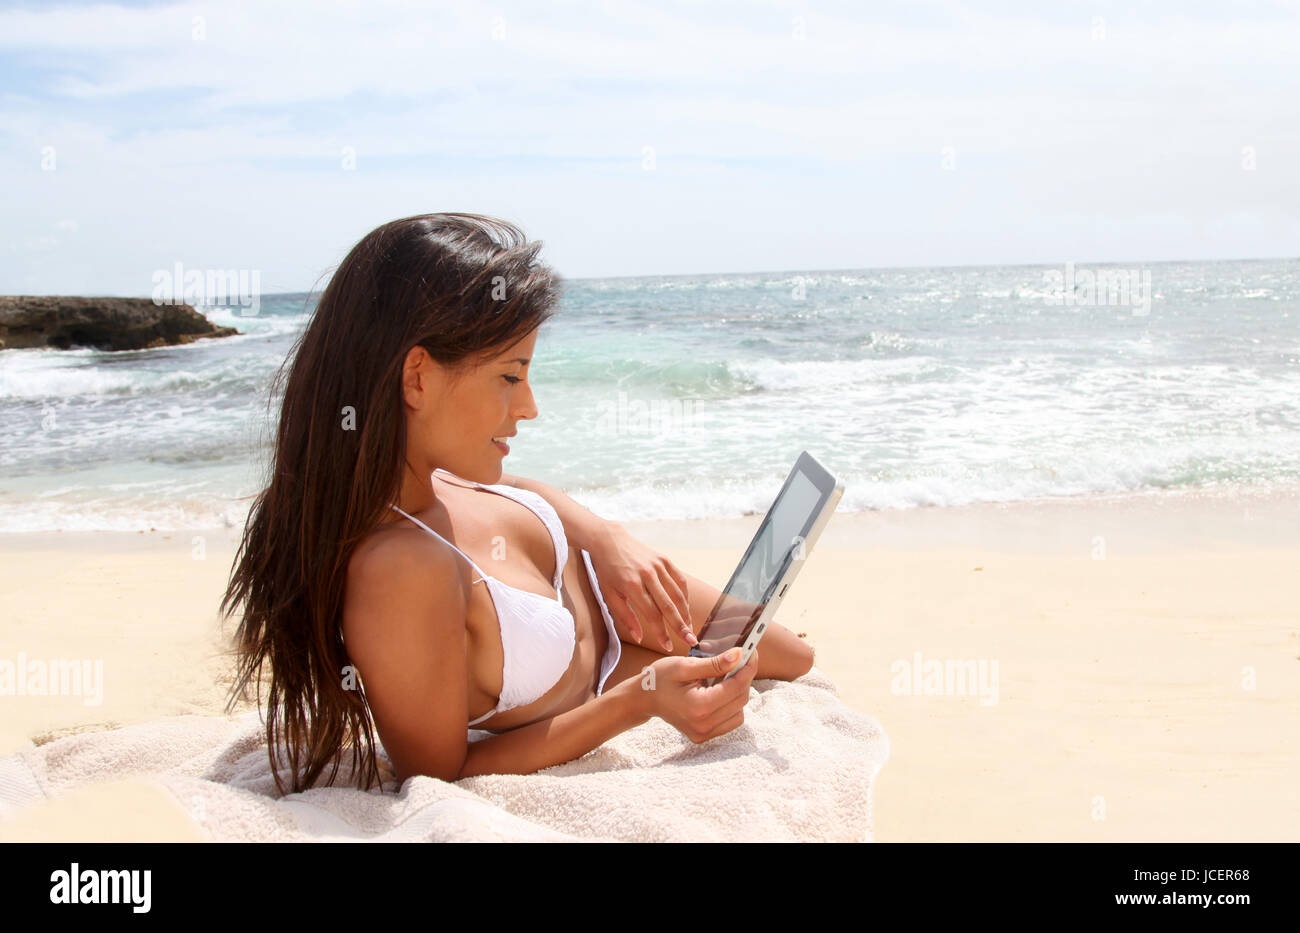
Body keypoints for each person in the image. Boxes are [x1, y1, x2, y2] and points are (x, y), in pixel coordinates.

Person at [221, 213, 814, 794]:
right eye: (510, 376)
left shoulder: (438, 478)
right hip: (615, 672)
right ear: (417, 379)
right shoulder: (398, 566)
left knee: (793, 653)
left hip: (610, 601)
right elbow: (436, 773)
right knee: (773, 657)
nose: (529, 406)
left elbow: (523, 491)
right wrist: (640, 701)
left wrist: (604, 537)